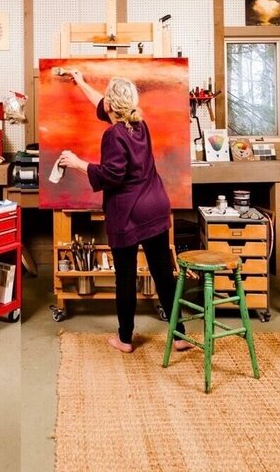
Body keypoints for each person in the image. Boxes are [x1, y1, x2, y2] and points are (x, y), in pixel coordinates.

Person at [57, 71, 194, 353]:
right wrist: (81, 82)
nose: (103, 101)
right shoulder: (139, 124)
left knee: (126, 278)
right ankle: (179, 335)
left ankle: (125, 339)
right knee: (163, 274)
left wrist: (76, 162)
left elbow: (112, 175)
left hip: (129, 213)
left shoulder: (113, 134)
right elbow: (103, 104)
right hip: (155, 207)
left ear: (111, 105)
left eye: (107, 98)